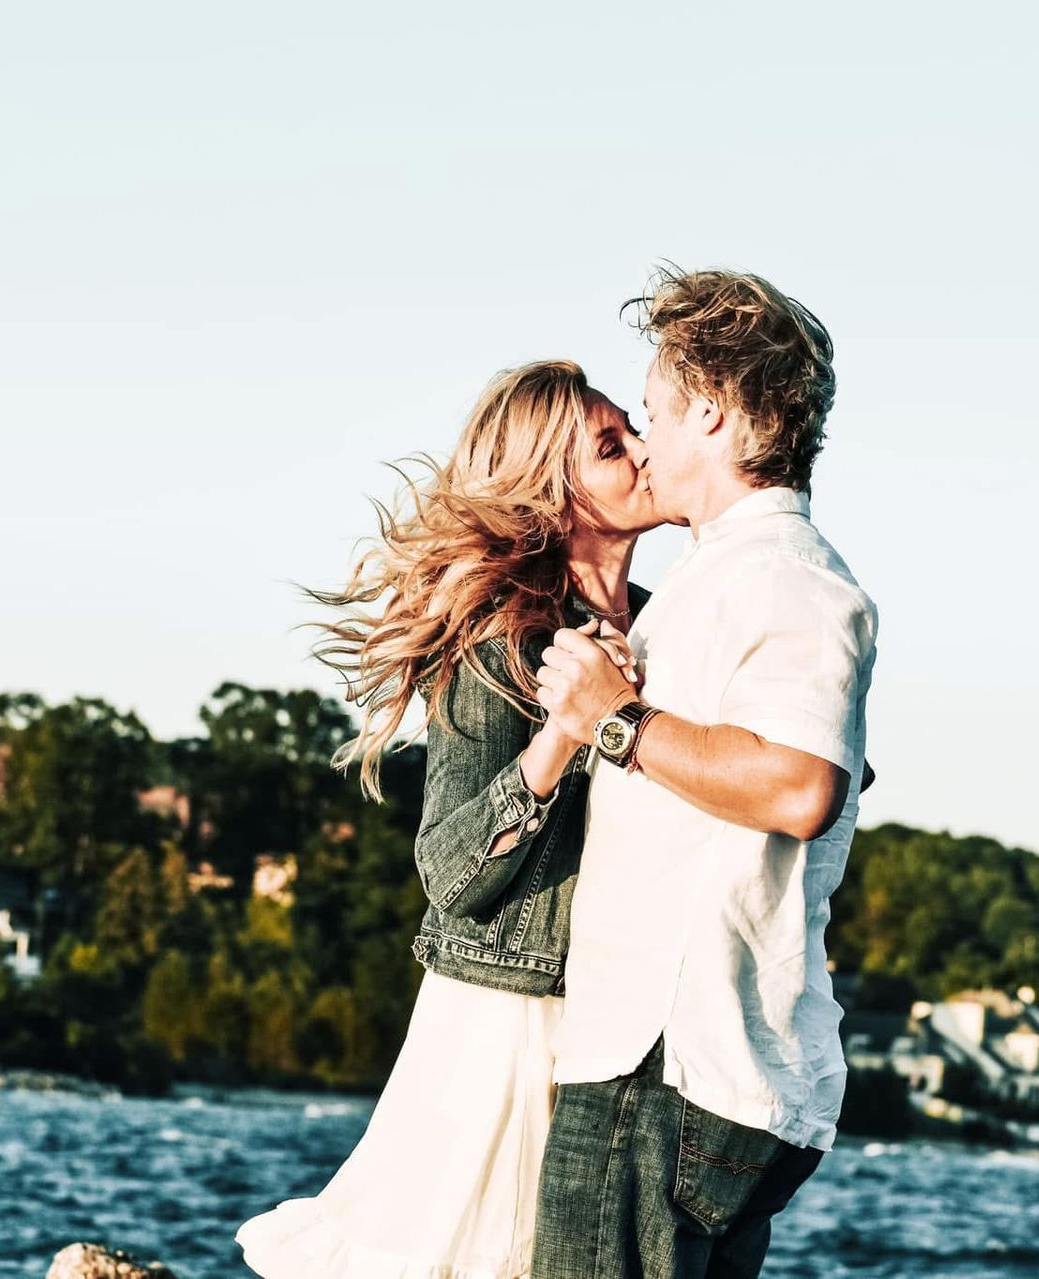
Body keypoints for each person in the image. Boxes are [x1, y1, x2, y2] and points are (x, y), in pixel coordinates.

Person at [236, 359, 658, 1278]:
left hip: (623, 1017)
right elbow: (452, 870)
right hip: (503, 1020)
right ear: (557, 490)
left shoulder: (675, 626)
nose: (642, 452)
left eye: (634, 428)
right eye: (610, 444)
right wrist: (566, 729)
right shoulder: (500, 638)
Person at [529, 268, 878, 1279]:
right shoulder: (731, 575)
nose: (641, 445)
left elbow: (802, 786)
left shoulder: (784, 575)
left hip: (667, 1067)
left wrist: (616, 719)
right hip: (688, 1067)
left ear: (716, 416)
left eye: (652, 416)